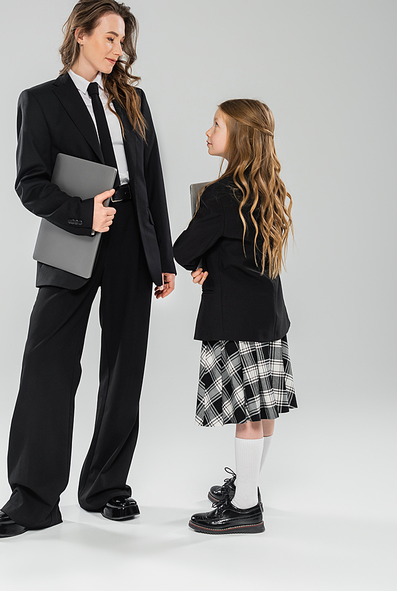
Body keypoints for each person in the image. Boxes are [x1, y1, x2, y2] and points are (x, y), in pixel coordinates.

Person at [0, 0, 176, 537]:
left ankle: (105, 487)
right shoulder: (39, 100)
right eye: (109, 37)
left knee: (124, 369)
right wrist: (82, 213)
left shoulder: (133, 102)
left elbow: (152, 182)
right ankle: (33, 499)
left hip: (132, 245)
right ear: (81, 35)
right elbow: (30, 183)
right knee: (49, 364)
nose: (119, 49)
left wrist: (161, 257)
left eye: (122, 40)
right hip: (73, 237)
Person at [173, 99, 297, 535]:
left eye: (217, 125)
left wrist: (203, 258)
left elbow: (183, 249)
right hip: (267, 316)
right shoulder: (265, 187)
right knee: (263, 411)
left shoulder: (221, 194)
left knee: (246, 415)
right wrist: (214, 255)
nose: (208, 133)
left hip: (236, 319)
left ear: (239, 138)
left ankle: (245, 508)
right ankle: (250, 487)